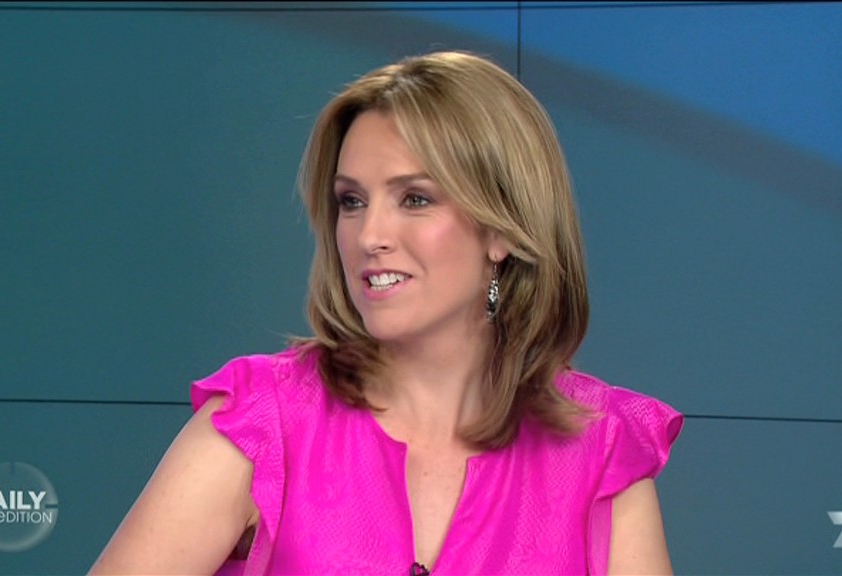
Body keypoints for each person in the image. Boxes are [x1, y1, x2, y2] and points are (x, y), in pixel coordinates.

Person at [91, 50, 682, 575]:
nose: (369, 235)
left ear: (501, 229)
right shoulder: (259, 423)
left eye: (414, 199)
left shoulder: (603, 450)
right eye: (351, 201)